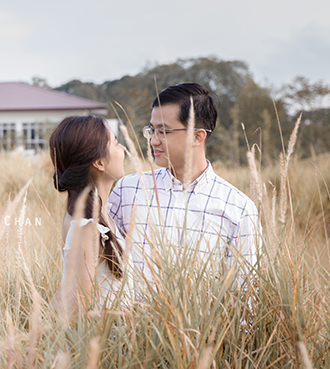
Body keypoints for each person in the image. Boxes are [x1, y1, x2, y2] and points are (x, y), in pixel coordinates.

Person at [107, 83, 260, 284]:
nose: (153, 141)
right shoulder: (127, 190)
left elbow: (245, 295)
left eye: (163, 131)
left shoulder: (238, 208)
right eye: (152, 130)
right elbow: (100, 267)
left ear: (198, 136)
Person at [50, 115, 132, 318]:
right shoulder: (86, 227)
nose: (122, 149)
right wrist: (129, 316)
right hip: (101, 345)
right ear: (99, 163)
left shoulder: (99, 214)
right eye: (116, 143)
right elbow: (77, 313)